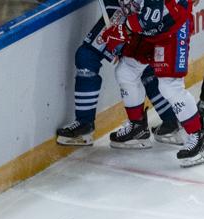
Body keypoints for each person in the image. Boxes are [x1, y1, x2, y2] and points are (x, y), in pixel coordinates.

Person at [99, 0, 204, 166]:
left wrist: (122, 30)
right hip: (148, 30)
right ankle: (137, 128)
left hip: (173, 27)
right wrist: (120, 31)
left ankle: (198, 138)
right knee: (126, 71)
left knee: (169, 86)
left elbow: (151, 17)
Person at [56, 0, 182, 147]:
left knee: (88, 57)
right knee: (142, 65)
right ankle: (170, 122)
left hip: (138, 13)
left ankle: (85, 124)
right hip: (149, 14)